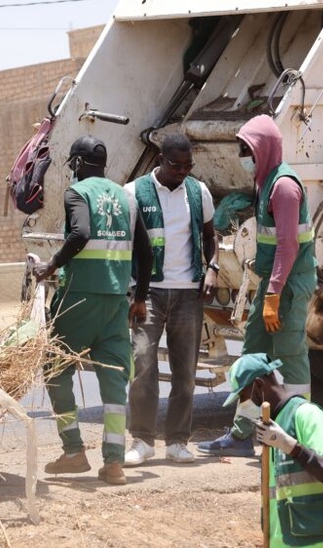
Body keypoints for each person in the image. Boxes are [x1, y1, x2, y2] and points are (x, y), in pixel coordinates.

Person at [33, 135, 153, 485]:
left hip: (78, 299)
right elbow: (146, 254)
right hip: (117, 301)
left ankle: (73, 451)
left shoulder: (78, 193)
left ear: (78, 165)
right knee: (115, 381)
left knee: (56, 369)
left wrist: (51, 265)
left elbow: (81, 233)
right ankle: (114, 462)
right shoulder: (127, 198)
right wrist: (141, 297)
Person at [198, 114, 318, 458]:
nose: (242, 154)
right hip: (275, 281)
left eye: (246, 148)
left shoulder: (284, 187)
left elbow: (288, 246)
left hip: (289, 283)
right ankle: (241, 435)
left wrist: (273, 294)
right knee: (253, 355)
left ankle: (299, 436)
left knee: (290, 357)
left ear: (264, 148)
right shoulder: (265, 182)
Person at [123, 134, 218, 467]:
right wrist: (132, 291)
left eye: (188, 165)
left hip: (188, 293)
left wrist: (212, 268)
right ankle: (142, 441)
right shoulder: (134, 193)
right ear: (159, 159)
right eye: (176, 165)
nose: (182, 171)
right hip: (147, 293)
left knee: (185, 372)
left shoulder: (199, 192)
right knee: (143, 368)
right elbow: (124, 245)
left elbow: (209, 237)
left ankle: (178, 441)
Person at [223, 353, 323, 546]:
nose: (242, 404)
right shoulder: (271, 428)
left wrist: (291, 446)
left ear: (259, 385)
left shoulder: (305, 414)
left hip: (321, 541)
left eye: (243, 396)